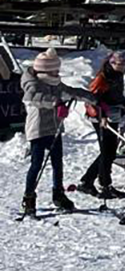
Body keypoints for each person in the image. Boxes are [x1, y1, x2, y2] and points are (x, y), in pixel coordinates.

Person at [20, 49, 95, 216]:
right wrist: (55, 103)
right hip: (38, 130)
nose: (57, 73)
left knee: (57, 164)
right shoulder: (33, 83)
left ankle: (58, 194)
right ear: (45, 70)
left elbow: (70, 91)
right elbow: (32, 98)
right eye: (55, 70)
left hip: (55, 128)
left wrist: (93, 99)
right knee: (36, 165)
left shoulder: (55, 82)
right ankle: (29, 198)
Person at [78, 48, 125, 198]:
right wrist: (102, 116)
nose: (123, 68)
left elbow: (116, 95)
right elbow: (93, 99)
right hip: (100, 117)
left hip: (112, 115)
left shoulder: (117, 75)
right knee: (107, 151)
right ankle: (104, 185)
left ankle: (87, 181)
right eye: (121, 65)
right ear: (113, 62)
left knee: (109, 152)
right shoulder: (103, 77)